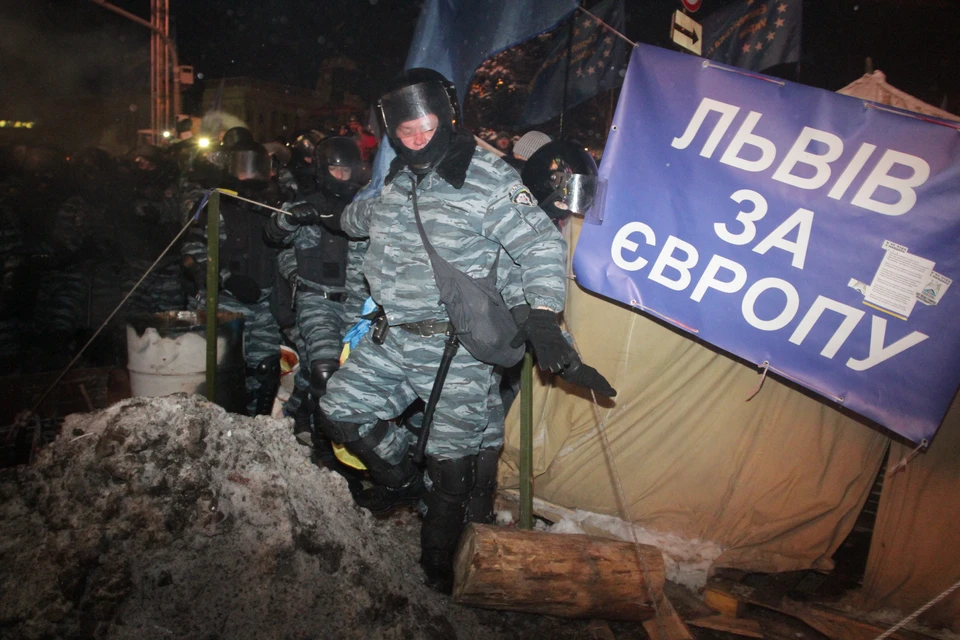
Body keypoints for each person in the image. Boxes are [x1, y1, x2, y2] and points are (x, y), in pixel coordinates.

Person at [314, 68, 614, 593]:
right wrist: (320, 215)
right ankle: (402, 480)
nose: (416, 141)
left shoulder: (487, 178)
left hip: (453, 348)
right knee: (340, 411)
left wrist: (544, 319)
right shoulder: (400, 178)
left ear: (447, 117)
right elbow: (370, 216)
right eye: (404, 134)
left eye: (425, 127)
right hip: (392, 336)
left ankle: (445, 568)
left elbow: (540, 247)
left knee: (454, 467)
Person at [263, 137, 368, 450]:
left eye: (346, 170)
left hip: (356, 304)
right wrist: (291, 218)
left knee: (329, 374)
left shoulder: (364, 209)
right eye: (334, 168)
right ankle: (325, 441)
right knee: (324, 368)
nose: (340, 176)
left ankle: (302, 412)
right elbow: (272, 236)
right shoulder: (300, 205)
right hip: (315, 300)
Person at [181, 135, 284, 416]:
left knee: (265, 370)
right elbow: (192, 254)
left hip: (264, 305)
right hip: (223, 306)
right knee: (218, 375)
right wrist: (227, 279)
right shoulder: (216, 202)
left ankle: (257, 431)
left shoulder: (273, 203)